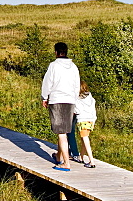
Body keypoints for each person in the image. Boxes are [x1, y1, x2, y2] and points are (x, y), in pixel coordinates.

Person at [41, 41, 80, 172]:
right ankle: (58, 156)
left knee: (61, 132)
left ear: (56, 52)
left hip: (57, 99)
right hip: (70, 100)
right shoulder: (74, 67)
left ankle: (66, 163)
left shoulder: (53, 66)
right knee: (64, 129)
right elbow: (76, 85)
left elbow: (48, 83)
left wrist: (44, 97)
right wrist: (74, 101)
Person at [74, 81, 97, 168]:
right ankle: (81, 157)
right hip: (91, 119)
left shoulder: (77, 99)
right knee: (84, 139)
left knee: (85, 140)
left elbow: (77, 110)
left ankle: (91, 161)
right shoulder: (90, 96)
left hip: (82, 119)